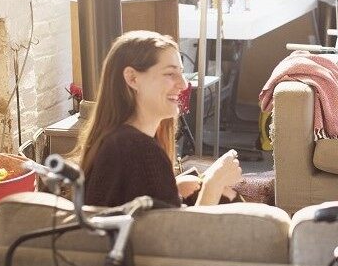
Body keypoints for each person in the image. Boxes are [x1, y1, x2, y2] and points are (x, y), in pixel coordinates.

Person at [76, 31, 242, 208]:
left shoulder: (117, 141)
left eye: (181, 72)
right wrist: (213, 183)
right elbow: (178, 235)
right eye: (170, 74)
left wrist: (172, 190)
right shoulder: (139, 149)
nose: (184, 84)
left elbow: (136, 214)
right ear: (132, 78)